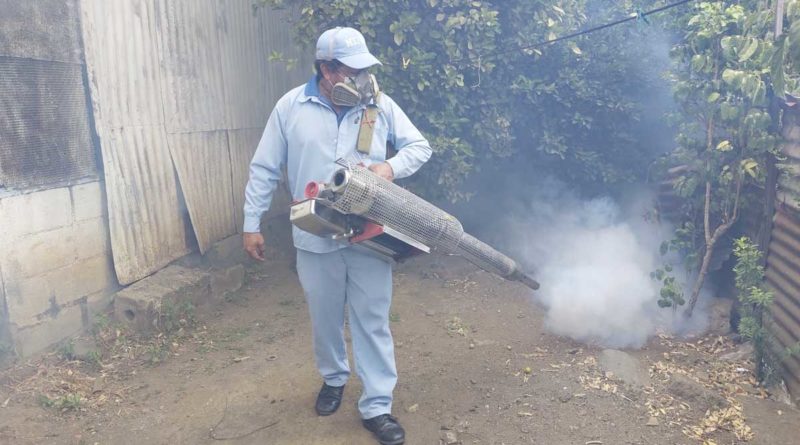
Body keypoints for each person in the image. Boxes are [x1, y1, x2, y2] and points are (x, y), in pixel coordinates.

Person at [242, 27, 432, 445]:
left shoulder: (378, 106)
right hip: (315, 234)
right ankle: (333, 379)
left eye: (366, 69)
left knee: (373, 320)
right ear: (327, 70)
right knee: (324, 316)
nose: (363, 77)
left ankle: (378, 405)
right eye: (353, 69)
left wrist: (389, 168)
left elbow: (420, 146)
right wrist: (251, 223)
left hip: (369, 235)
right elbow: (265, 167)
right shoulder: (291, 107)